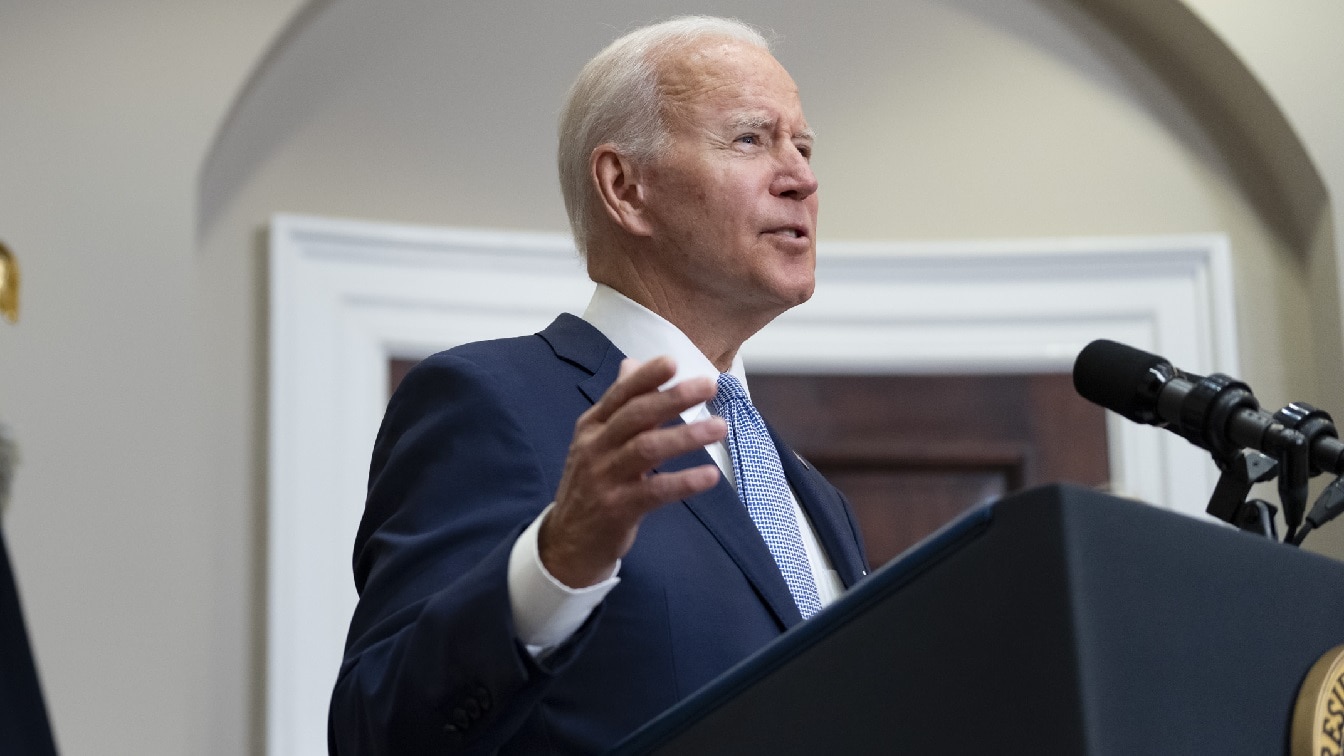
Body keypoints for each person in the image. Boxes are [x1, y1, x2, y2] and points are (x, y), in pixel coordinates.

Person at [329, 16, 869, 754]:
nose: (802, 177)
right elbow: (375, 732)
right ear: (626, 188)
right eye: (751, 139)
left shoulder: (809, 492)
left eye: (802, 146)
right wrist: (553, 565)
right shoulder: (489, 402)